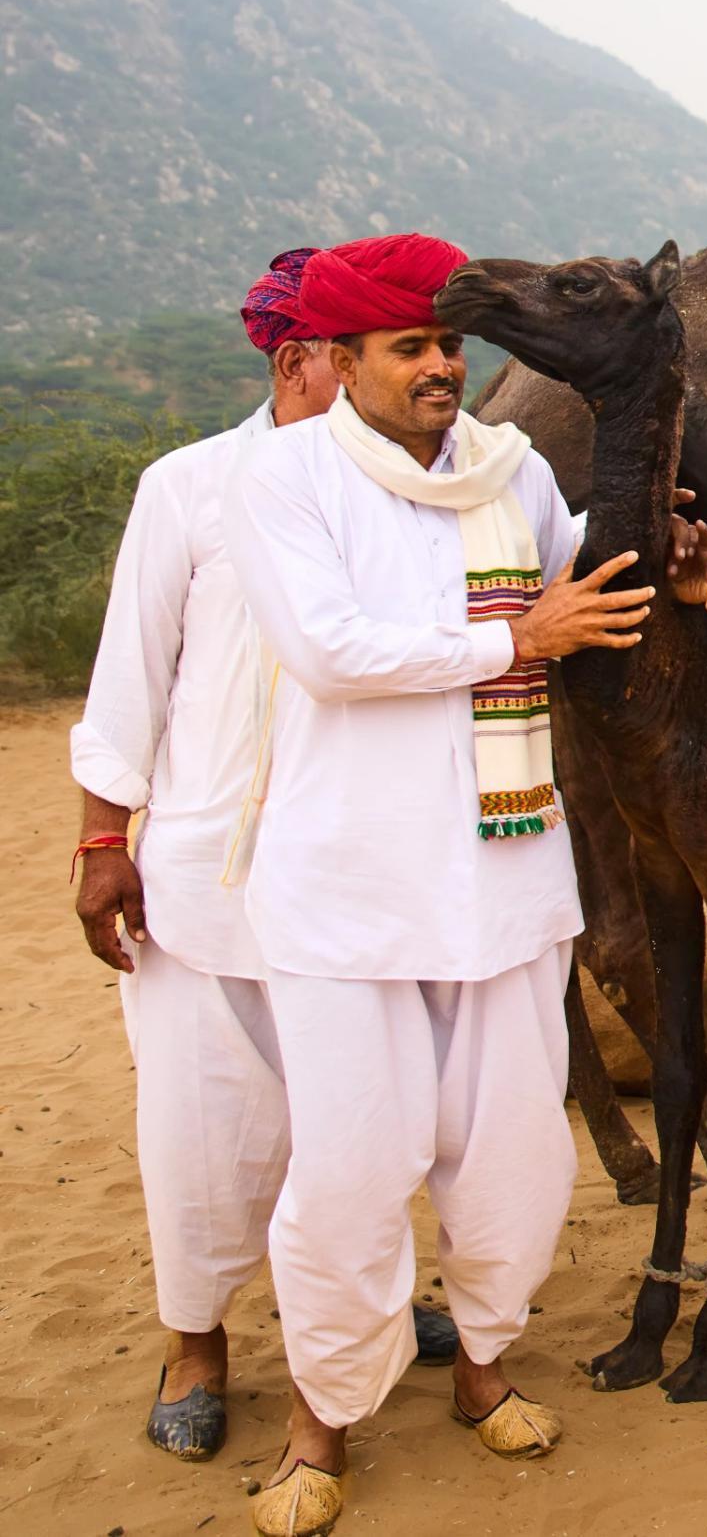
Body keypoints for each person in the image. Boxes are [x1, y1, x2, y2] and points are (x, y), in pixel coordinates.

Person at [215, 233, 690, 1537]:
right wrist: (518, 636)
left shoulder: (509, 469)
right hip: (346, 892)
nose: (440, 368)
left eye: (447, 344)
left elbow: (568, 582)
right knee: (352, 1168)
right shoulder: (284, 478)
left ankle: (482, 1372)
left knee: (512, 1157)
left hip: (502, 876)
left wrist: (652, 562)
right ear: (338, 358)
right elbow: (329, 650)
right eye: (409, 348)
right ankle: (322, 1424)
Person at [69, 252, 476, 1463]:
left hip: (362, 877)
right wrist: (103, 841)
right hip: (211, 877)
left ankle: (369, 1308)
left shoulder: (425, 490)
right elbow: (127, 682)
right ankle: (196, 1341)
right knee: (200, 1124)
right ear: (305, 359)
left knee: (361, 1120)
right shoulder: (191, 487)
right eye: (374, 346)